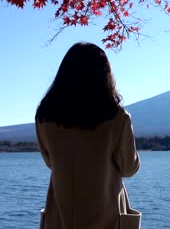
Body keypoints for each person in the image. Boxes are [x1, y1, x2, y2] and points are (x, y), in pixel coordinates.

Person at [35, 42, 140, 229]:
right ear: (104, 74)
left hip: (61, 213)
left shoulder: (45, 116)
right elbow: (128, 168)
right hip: (106, 215)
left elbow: (50, 162)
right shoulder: (117, 117)